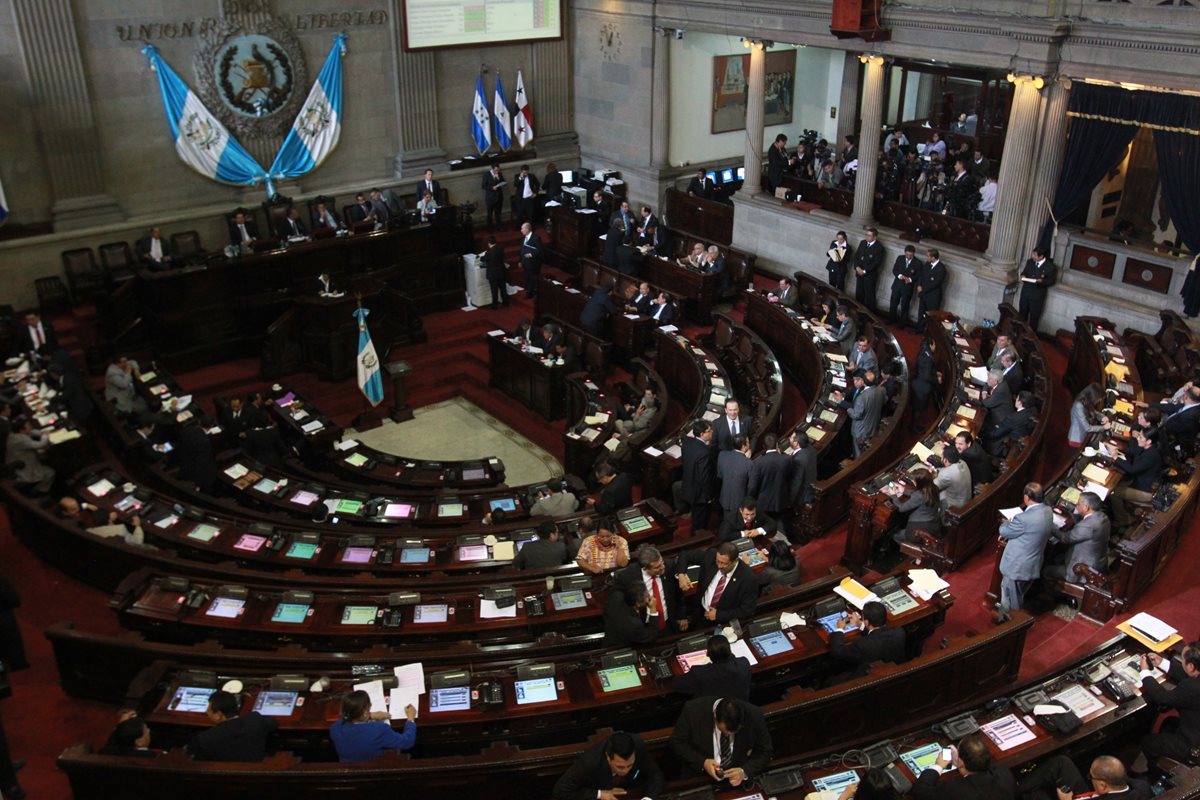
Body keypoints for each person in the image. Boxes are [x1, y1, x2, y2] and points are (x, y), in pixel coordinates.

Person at [669, 697, 774, 788]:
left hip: (738, 781)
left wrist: (744, 771)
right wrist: (703, 762)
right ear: (715, 717)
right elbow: (677, 742)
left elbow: (765, 751)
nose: (728, 735)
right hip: (701, 779)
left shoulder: (754, 715)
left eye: (733, 732)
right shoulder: (693, 710)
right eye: (724, 731)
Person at [995, 482, 1053, 622]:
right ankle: (1006, 620)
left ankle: (1011, 625)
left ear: (1027, 498)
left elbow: (1004, 531)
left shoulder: (1023, 519)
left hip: (1017, 566)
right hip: (1032, 563)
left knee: (1011, 598)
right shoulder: (1048, 511)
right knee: (1018, 594)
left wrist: (1007, 521)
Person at [552, 731, 664, 800]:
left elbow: (655, 775)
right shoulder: (590, 762)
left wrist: (647, 798)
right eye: (620, 767)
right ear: (607, 756)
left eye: (630, 765)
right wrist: (599, 794)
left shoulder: (638, 745)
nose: (626, 771)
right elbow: (560, 790)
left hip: (632, 791)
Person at [1137, 644, 1200, 765]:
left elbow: (1163, 698)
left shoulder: (1191, 687)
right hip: (1194, 727)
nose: (1181, 662)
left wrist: (1144, 671)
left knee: (1148, 741)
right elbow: (1191, 674)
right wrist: (1161, 663)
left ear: (1191, 666)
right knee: (1169, 723)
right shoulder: (1195, 679)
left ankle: (1153, 772)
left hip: (1192, 747)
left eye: (1183, 660)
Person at [913, 734, 1016, 800]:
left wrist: (938, 766)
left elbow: (921, 792)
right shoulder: (1004, 773)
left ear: (961, 762)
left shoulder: (955, 790)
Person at [614, 545, 688, 633]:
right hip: (644, 626)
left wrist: (681, 615)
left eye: (662, 562)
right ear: (645, 568)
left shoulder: (668, 566)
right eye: (657, 567)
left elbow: (677, 594)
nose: (662, 567)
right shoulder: (628, 576)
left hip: (669, 623)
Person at [187, 690, 278, 761]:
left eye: (209, 710)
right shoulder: (255, 720)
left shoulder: (205, 738)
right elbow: (274, 723)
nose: (206, 712)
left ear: (219, 715)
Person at [828, 600, 907, 682]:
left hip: (868, 679)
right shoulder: (899, 632)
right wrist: (860, 625)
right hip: (897, 673)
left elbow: (838, 652)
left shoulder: (862, 644)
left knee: (830, 681)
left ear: (866, 621)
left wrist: (840, 629)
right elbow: (877, 635)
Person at [329, 689, 416, 763]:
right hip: (373, 771)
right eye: (368, 707)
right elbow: (407, 742)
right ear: (364, 713)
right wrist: (411, 718)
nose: (371, 705)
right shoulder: (379, 730)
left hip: (349, 772)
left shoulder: (335, 728)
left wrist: (370, 715)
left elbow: (343, 716)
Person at [1043, 491, 1109, 583]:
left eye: (1078, 504)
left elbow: (1065, 538)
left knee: (1046, 571)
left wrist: (1050, 527)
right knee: (1058, 557)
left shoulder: (1087, 526)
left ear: (1086, 508)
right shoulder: (1103, 517)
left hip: (1081, 572)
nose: (1076, 506)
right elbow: (1084, 522)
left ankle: (1054, 594)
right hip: (1098, 563)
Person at [1020, 754, 1150, 800]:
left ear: (1103, 785)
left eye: (1091, 777)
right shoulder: (1142, 786)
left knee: (1034, 794)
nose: (1089, 778)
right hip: (1091, 794)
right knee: (1062, 762)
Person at [686, 541, 758, 624]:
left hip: (723, 623)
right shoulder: (712, 555)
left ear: (735, 561)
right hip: (700, 613)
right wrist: (681, 574)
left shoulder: (748, 578)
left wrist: (719, 615)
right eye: (717, 561)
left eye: (724, 563)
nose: (719, 566)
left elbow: (747, 610)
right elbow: (685, 555)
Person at [1107, 427, 1163, 532]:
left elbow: (1132, 469)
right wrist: (1118, 448)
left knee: (1114, 492)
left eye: (1140, 437)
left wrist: (1115, 457)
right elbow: (1135, 453)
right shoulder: (1150, 448)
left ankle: (1123, 520)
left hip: (1145, 491)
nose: (1138, 438)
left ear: (1149, 441)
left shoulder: (1150, 455)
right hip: (1139, 481)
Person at [674, 635, 752, 701]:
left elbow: (677, 684)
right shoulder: (743, 663)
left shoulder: (699, 673)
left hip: (708, 712)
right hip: (739, 706)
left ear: (707, 654)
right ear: (730, 651)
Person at [835, 371, 885, 458]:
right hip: (873, 426)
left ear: (863, 381)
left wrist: (848, 409)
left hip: (860, 431)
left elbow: (856, 415)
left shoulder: (862, 397)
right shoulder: (881, 390)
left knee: (858, 454)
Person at [677, 420, 716, 531]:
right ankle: (699, 538)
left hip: (688, 486)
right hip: (700, 494)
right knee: (700, 522)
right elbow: (704, 477)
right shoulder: (704, 452)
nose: (712, 432)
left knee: (695, 514)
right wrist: (708, 496)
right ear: (702, 434)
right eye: (709, 431)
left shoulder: (687, 443)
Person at [747, 433, 792, 523]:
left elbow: (752, 486)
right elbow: (790, 478)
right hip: (781, 500)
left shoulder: (758, 462)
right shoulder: (787, 459)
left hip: (763, 503)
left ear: (763, 446)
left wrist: (750, 499)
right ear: (777, 445)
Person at [889, 468, 941, 542]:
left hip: (918, 530)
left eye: (914, 480)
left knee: (894, 535)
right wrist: (904, 490)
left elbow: (901, 508)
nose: (913, 481)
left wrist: (893, 495)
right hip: (932, 524)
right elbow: (920, 495)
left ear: (920, 483)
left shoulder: (919, 495)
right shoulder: (934, 488)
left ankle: (907, 549)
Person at [5, 416, 54, 494]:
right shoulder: (20, 440)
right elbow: (40, 444)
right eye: (29, 426)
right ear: (21, 430)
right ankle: (38, 492)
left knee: (45, 456)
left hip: (22, 460)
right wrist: (45, 435)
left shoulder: (15, 433)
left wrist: (43, 432)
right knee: (50, 473)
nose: (31, 427)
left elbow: (32, 431)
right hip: (23, 469)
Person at [603, 581, 658, 647]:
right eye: (647, 595)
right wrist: (653, 609)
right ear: (638, 603)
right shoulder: (634, 625)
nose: (650, 596)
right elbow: (650, 636)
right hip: (620, 650)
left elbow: (616, 587)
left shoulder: (616, 596)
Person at [986, 389, 1036, 457]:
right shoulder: (1033, 410)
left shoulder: (1012, 418)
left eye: (1017, 398)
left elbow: (995, 434)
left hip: (1008, 445)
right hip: (1022, 437)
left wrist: (985, 433)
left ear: (1020, 403)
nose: (1015, 399)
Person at [1018, 248, 1056, 333]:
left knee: (1034, 318)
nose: (1033, 256)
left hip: (1037, 296)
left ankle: (1030, 338)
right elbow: (1025, 272)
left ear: (1041, 256)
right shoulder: (1030, 262)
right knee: (1021, 316)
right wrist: (1022, 276)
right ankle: (1019, 334)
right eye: (1033, 254)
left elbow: (1052, 281)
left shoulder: (1050, 267)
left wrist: (1042, 281)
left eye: (1035, 255)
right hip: (1025, 293)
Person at [717, 435, 753, 517]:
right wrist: (746, 459)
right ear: (744, 446)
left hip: (724, 498)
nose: (749, 444)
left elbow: (720, 475)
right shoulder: (749, 463)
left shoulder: (722, 455)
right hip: (739, 502)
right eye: (748, 442)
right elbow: (751, 485)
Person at [1068, 383, 1109, 447]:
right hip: (1077, 439)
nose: (1099, 401)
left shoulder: (1086, 401)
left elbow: (1094, 412)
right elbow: (1087, 428)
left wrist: (1102, 417)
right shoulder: (1078, 406)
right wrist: (1103, 427)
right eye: (1099, 399)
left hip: (1085, 436)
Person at [889, 245, 921, 326]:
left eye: (910, 255)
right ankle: (891, 319)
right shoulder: (900, 258)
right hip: (897, 285)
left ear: (913, 254)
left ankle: (902, 323)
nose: (908, 256)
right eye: (907, 254)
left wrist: (910, 279)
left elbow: (919, 276)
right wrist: (900, 276)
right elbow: (895, 270)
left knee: (905, 305)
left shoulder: (918, 263)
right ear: (905, 252)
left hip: (907, 288)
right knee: (893, 303)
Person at [854, 227, 884, 311]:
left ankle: (869, 315)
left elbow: (876, 263)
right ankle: (858, 310)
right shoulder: (863, 243)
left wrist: (864, 271)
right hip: (859, 273)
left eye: (869, 236)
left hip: (869, 276)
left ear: (874, 237)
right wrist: (857, 267)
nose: (867, 237)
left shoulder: (879, 248)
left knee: (869, 296)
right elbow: (856, 256)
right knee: (859, 293)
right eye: (866, 235)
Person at [916, 248, 946, 326]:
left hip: (933, 296)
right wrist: (919, 285)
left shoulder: (941, 269)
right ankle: (919, 328)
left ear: (933, 257)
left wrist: (923, 289)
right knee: (921, 312)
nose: (927, 258)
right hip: (923, 294)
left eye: (928, 256)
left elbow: (936, 283)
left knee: (931, 316)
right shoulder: (927, 264)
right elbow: (921, 275)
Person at [479, 235, 508, 309]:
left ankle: (494, 305)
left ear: (489, 243)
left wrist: (482, 256)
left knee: (494, 290)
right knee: (503, 288)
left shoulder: (489, 253)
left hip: (493, 274)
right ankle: (505, 302)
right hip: (501, 272)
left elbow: (483, 259)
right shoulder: (501, 248)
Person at [519, 222, 544, 299]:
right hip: (525, 262)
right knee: (527, 277)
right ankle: (529, 291)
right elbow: (522, 250)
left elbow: (540, 250)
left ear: (527, 229)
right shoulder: (523, 238)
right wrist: (520, 260)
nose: (521, 230)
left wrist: (531, 254)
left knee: (532, 278)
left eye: (522, 229)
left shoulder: (536, 238)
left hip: (533, 263)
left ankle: (530, 293)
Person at [481, 164, 505, 230]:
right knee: (489, 214)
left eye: (498, 170)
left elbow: (503, 181)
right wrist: (492, 188)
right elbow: (483, 186)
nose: (497, 171)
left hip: (499, 197)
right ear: (492, 168)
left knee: (498, 214)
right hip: (490, 198)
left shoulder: (499, 174)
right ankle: (490, 228)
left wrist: (498, 178)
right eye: (496, 170)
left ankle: (499, 226)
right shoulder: (486, 175)